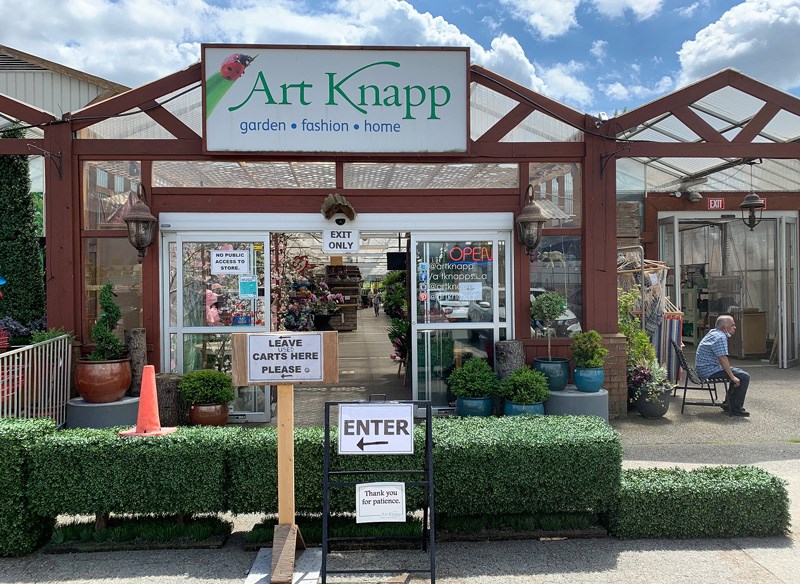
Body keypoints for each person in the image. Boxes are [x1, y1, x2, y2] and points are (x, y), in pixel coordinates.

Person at [695, 314, 751, 417]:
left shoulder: (713, 333)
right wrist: (732, 377)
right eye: (733, 325)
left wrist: (732, 375)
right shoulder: (720, 337)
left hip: (704, 368)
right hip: (709, 371)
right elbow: (722, 358)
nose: (735, 327)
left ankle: (728, 404)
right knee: (744, 376)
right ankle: (735, 408)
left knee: (738, 372)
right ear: (725, 328)